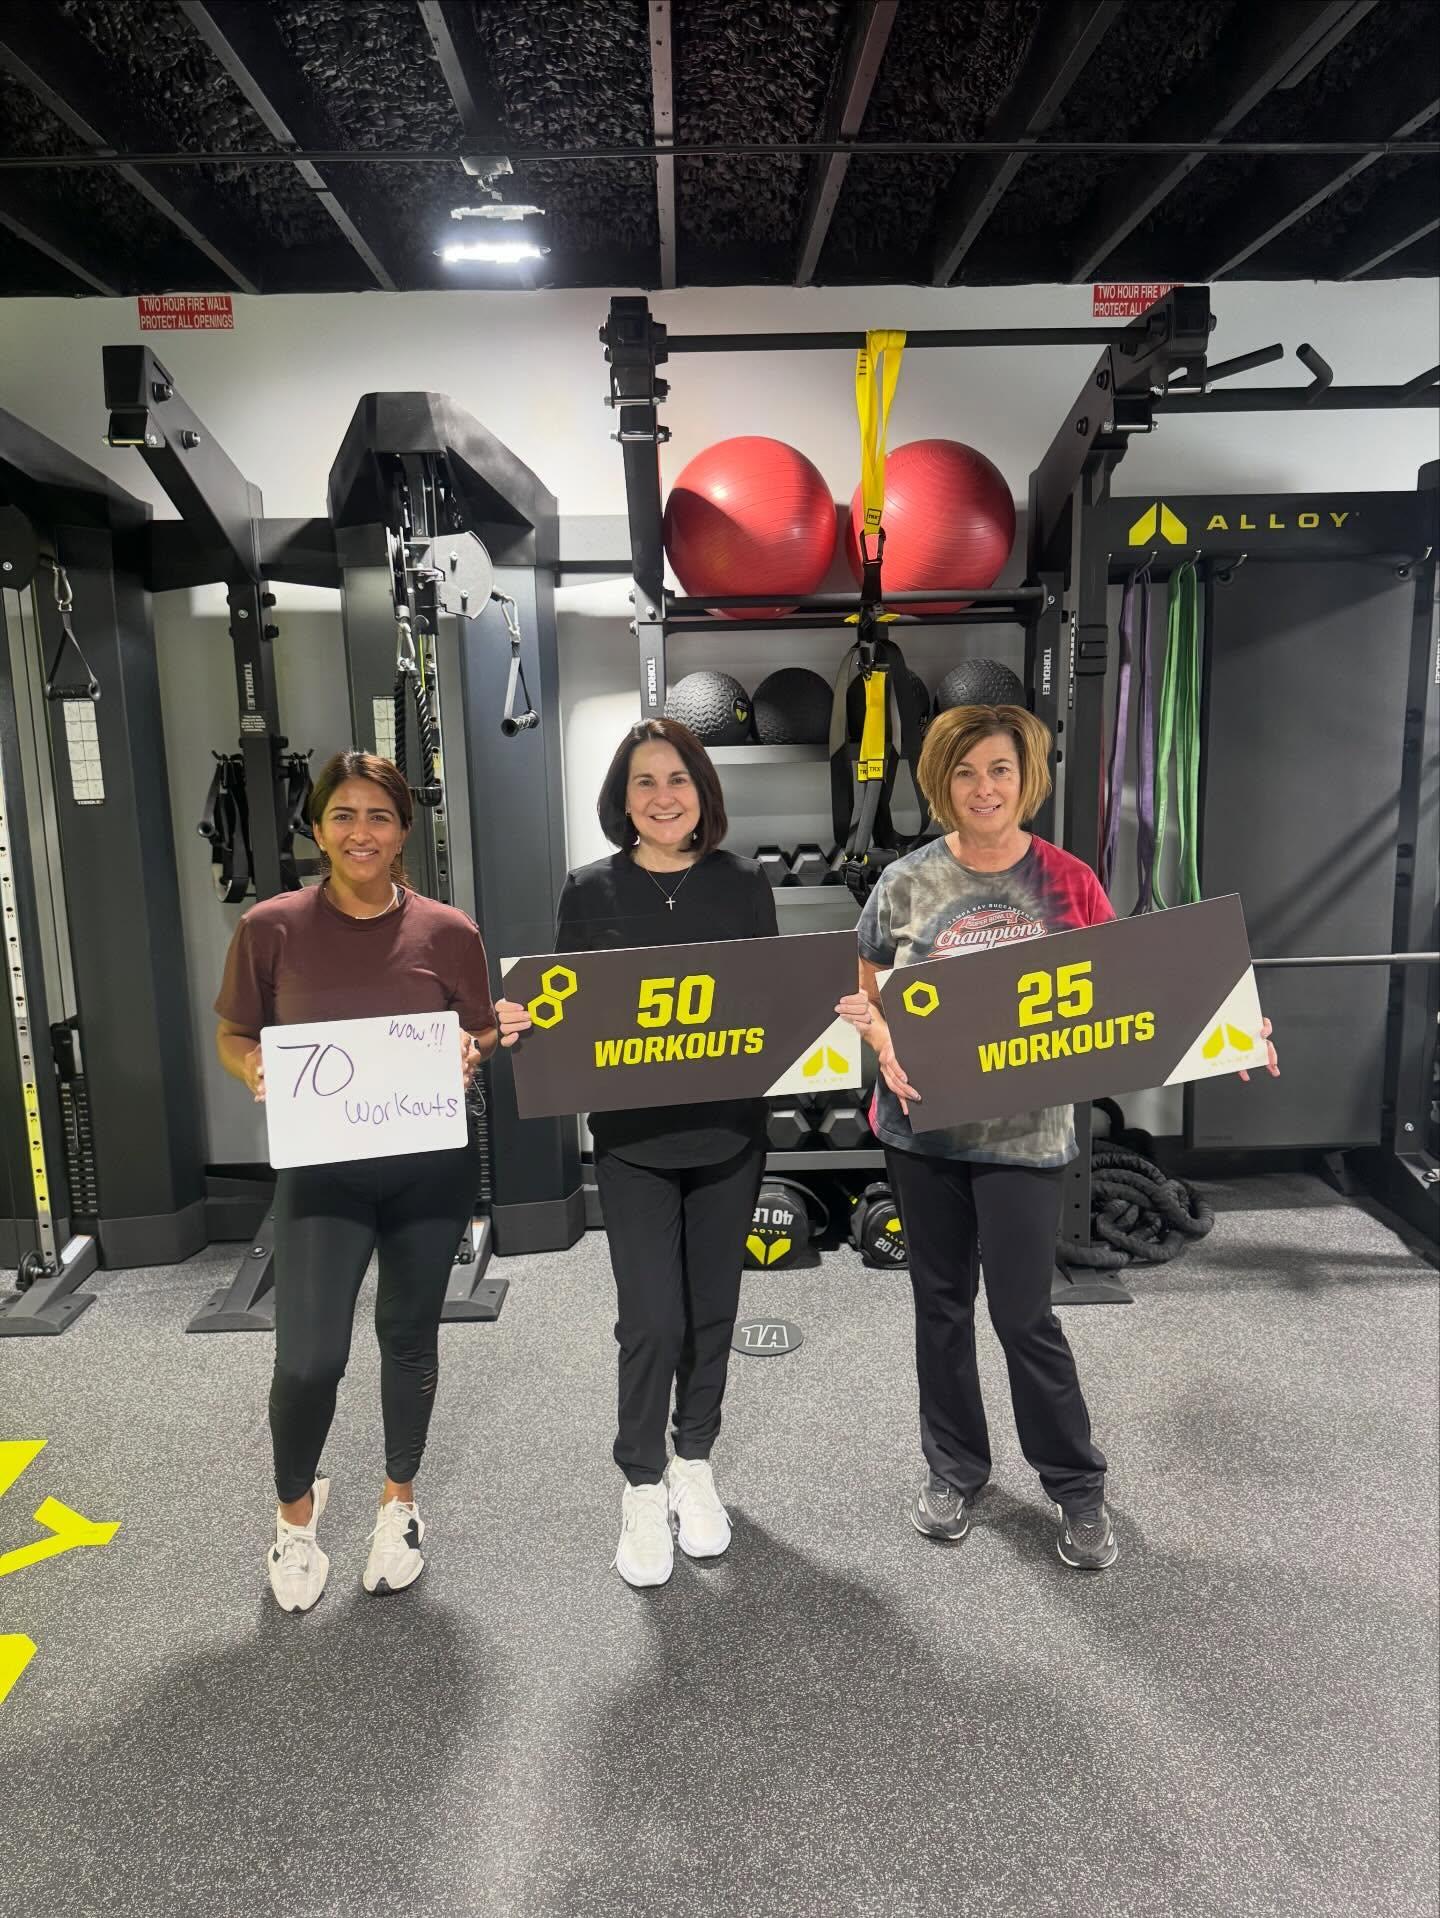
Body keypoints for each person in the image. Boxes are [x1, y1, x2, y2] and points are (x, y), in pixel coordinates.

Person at [836, 704, 1277, 1570]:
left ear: (1025, 777)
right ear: (941, 783)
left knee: (1025, 1314)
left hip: (1025, 1139)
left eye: (999, 769)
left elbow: (1134, 995)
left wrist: (1231, 1026)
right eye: (964, 772)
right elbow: (869, 995)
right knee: (940, 1308)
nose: (983, 788)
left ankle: (1076, 1486)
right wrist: (879, 1039)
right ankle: (955, 1471)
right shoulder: (906, 884)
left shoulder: (1070, 882)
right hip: (923, 1133)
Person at [494, 719, 777, 1589]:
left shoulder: (743, 883)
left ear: (704, 794)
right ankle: (641, 1481)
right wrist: (523, 1025)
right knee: (650, 1318)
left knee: (711, 1311)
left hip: (729, 1133)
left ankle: (694, 1461)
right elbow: (568, 1013)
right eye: (645, 783)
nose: (663, 798)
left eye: (679, 781)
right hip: (633, 1142)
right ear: (622, 798)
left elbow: (770, 997)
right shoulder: (589, 890)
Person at [215, 750, 498, 1614]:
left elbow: (479, 1036)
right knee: (309, 1359)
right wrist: (254, 1068)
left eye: (379, 816)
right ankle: (296, 1517)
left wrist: (469, 1057)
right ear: (317, 828)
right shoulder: (272, 927)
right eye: (343, 815)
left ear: (404, 830)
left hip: (425, 1176)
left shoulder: (449, 932)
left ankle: (398, 1504)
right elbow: (234, 1034)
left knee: (408, 1339)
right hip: (321, 1176)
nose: (361, 832)